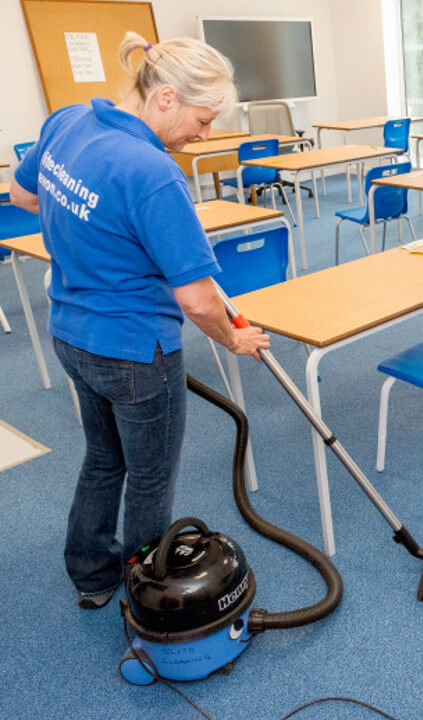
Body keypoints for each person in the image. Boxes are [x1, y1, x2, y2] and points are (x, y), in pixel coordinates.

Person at [9, 32, 270, 609]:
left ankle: (91, 575)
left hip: (71, 334)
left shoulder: (66, 120)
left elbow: (22, 196)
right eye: (202, 120)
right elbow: (200, 301)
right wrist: (233, 339)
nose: (204, 135)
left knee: (104, 458)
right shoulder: (152, 172)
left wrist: (99, 236)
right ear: (166, 98)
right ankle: (149, 594)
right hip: (135, 351)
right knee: (149, 478)